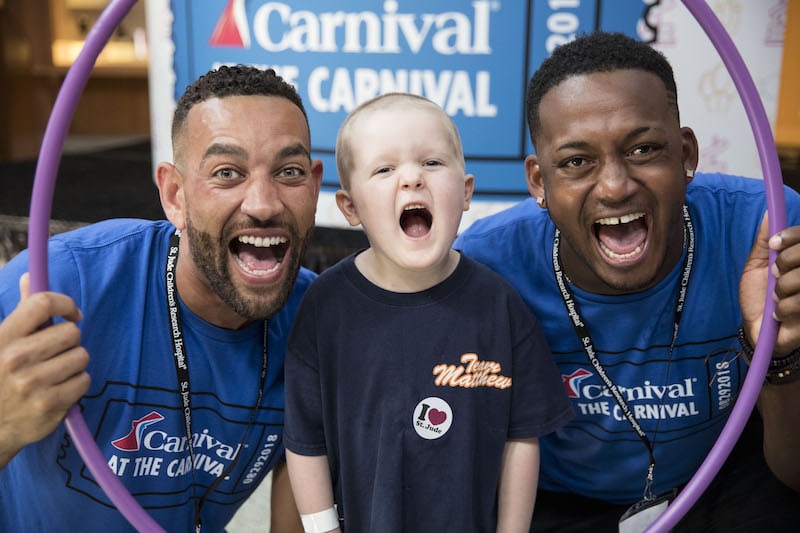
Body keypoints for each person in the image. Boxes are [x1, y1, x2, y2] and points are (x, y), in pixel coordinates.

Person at [454, 31, 800, 532]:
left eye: (643, 150)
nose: (615, 186)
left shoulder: (766, 231)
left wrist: (777, 352)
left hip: (721, 481)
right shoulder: (484, 267)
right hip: (557, 501)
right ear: (538, 182)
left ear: (686, 155)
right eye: (576, 162)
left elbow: (793, 477)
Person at [0, 65, 322, 532]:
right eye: (227, 173)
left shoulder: (317, 322)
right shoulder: (60, 283)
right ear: (174, 194)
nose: (263, 203)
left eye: (289, 172)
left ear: (314, 185)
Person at [282, 93, 574, 533]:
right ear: (350, 208)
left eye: (432, 163)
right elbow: (306, 443)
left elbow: (522, 437)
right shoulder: (325, 309)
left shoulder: (500, 305)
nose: (412, 179)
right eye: (384, 169)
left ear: (466, 191)